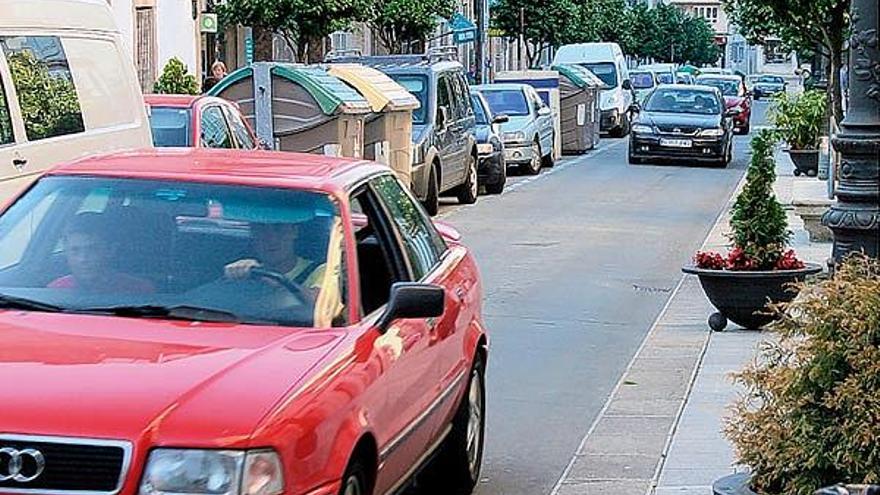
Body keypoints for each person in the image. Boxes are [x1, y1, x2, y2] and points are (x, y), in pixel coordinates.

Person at [48, 213, 154, 293]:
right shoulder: (55, 290)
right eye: (75, 250)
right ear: (65, 250)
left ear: (110, 250)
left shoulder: (138, 290)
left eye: (92, 249)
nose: (83, 259)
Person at [225, 222, 325, 292]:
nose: (271, 239)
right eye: (261, 230)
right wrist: (235, 275)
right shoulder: (243, 273)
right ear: (253, 235)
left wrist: (275, 282)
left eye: (279, 228)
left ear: (294, 231)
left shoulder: (321, 271)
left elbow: (321, 306)